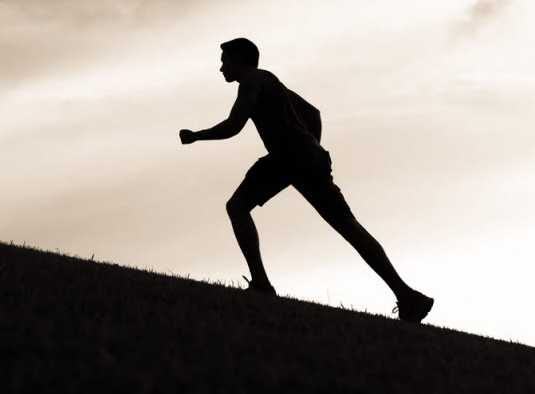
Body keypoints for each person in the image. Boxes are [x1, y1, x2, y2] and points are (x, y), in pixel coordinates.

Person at [179, 37, 434, 323]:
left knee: (237, 207)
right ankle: (408, 296)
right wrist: (311, 148)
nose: (221, 67)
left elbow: (233, 126)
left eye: (225, 60)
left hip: (289, 156)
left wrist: (196, 136)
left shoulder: (252, 80)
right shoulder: (271, 83)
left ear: (241, 59)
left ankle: (262, 285)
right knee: (347, 225)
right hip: (310, 157)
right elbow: (313, 113)